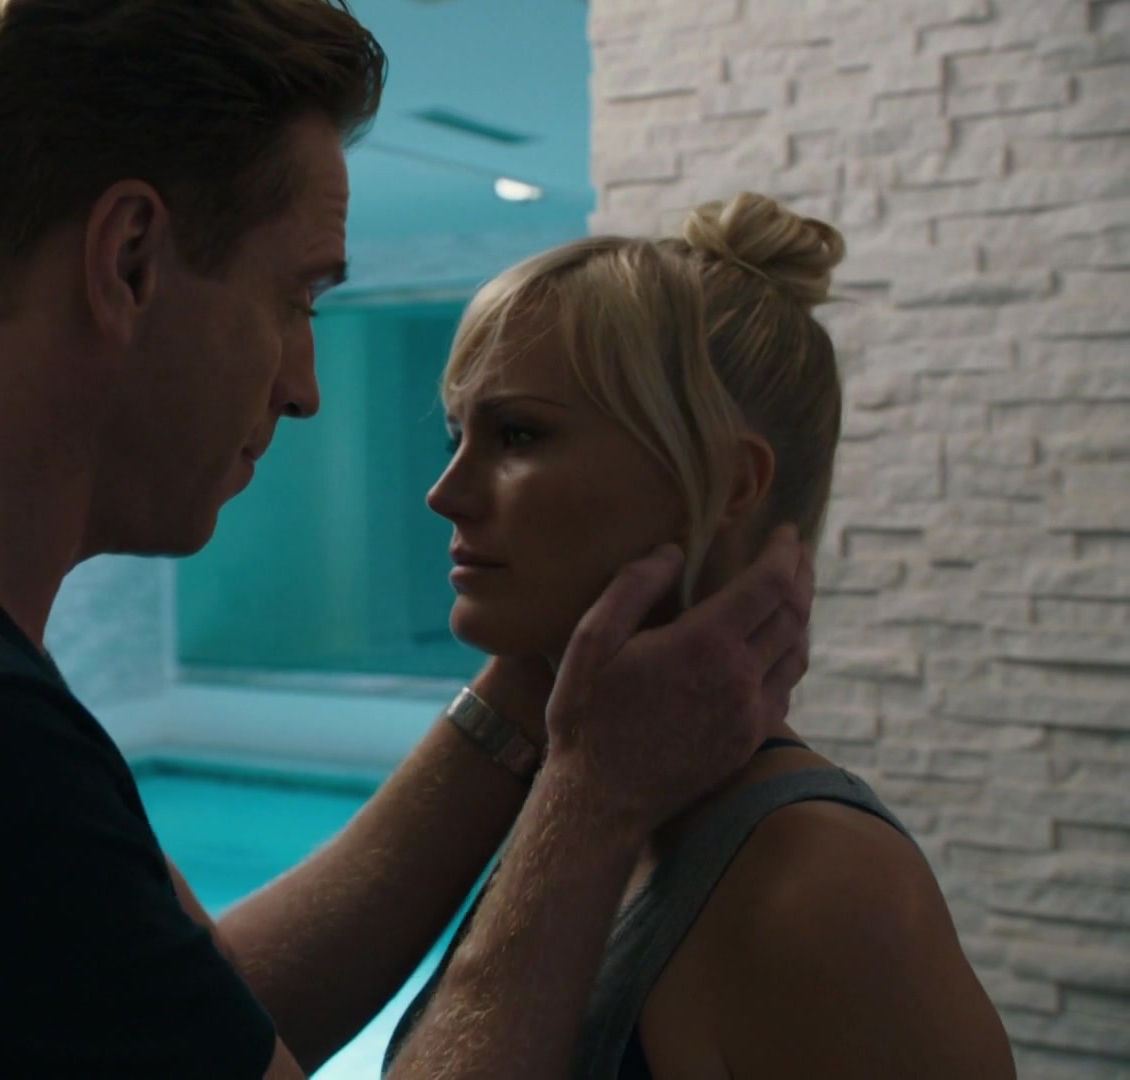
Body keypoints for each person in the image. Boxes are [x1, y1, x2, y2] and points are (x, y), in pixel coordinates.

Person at [0, 2, 814, 1076]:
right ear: (129, 262)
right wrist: (591, 801)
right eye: (296, 298)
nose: (304, 386)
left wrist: (532, 693)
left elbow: (204, 1016)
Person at [382, 193, 1014, 1077]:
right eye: (459, 436)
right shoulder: (581, 807)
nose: (444, 494)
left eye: (517, 434)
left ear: (727, 482)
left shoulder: (821, 887)